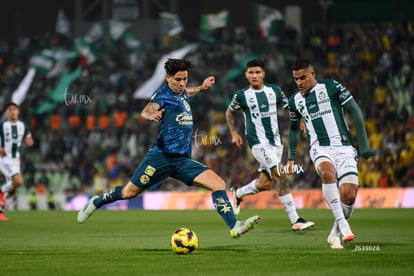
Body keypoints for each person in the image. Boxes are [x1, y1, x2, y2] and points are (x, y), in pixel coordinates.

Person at [77, 58, 260, 238]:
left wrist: (202, 88)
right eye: (177, 79)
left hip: (182, 160)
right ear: (167, 78)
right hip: (161, 157)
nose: (182, 83)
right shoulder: (163, 95)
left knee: (218, 184)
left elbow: (188, 91)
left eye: (184, 78)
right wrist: (151, 114)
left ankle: (234, 226)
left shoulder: (182, 93)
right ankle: (97, 201)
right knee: (129, 192)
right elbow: (146, 110)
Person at [287, 58, 375, 249]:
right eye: (296, 79)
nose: (299, 82)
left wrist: (365, 145)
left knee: (349, 195)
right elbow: (293, 130)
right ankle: (344, 225)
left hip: (344, 147)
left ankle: (334, 233)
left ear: (313, 74)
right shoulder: (294, 101)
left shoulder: (332, 86)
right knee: (327, 174)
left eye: (303, 77)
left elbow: (356, 111)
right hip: (320, 147)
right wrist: (291, 157)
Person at [225, 59, 314, 231]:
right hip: (258, 144)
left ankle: (238, 193)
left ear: (263, 74)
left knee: (265, 184)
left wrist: (300, 119)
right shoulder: (242, 95)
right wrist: (233, 132)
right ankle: (296, 220)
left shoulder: (274, 90)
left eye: (258, 72)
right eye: (251, 72)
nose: (254, 76)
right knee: (282, 176)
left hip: (276, 144)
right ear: (246, 75)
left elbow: (289, 106)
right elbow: (229, 112)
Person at [0, 102, 35, 221]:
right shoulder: (3, 126)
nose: (12, 111)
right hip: (4, 158)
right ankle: (1, 192)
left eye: (14, 109)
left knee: (13, 189)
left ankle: (0, 209)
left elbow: (29, 139)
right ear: (7, 112)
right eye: (10, 109)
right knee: (19, 181)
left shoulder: (22, 125)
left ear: (18, 111)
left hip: (16, 159)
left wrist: (29, 140)